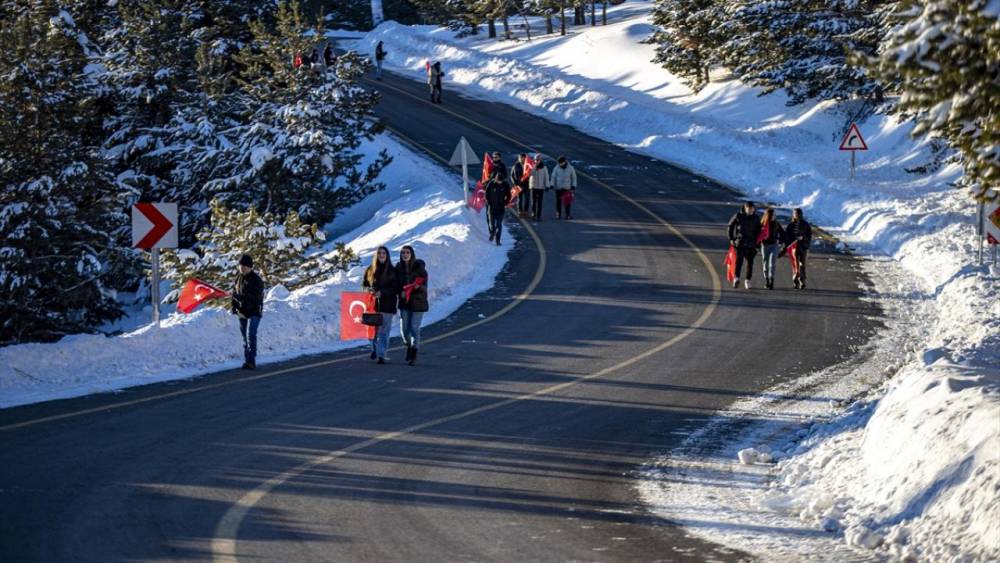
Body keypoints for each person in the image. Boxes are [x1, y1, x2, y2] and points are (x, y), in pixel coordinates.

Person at [362, 246, 401, 364]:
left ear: (387, 255)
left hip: (387, 305)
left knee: (384, 331)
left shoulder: (392, 271)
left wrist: (382, 292)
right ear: (376, 255)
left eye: (384, 253)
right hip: (373, 305)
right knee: (372, 331)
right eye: (379, 253)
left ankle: (381, 354)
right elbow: (364, 284)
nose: (382, 255)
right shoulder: (370, 270)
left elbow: (396, 288)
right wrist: (369, 290)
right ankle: (374, 348)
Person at [396, 245, 428, 366]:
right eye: (403, 253)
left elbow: (425, 288)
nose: (405, 255)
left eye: (407, 252)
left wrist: (418, 287)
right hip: (404, 303)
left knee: (414, 328)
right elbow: (395, 285)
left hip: (417, 303)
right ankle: (408, 345)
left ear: (412, 254)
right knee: (404, 330)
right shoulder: (398, 268)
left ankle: (414, 351)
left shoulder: (420, 269)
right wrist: (401, 291)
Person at [231, 254, 265, 370]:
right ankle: (247, 360)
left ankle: (251, 360)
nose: (242, 268)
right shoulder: (238, 278)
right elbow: (234, 293)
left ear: (250, 267)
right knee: (244, 337)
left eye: (244, 266)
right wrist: (234, 306)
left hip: (254, 311)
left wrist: (241, 298)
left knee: (251, 335)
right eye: (240, 265)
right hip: (242, 312)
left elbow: (255, 297)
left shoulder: (256, 280)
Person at [727, 201, 761, 289]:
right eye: (748, 209)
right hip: (740, 242)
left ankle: (747, 280)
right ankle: (736, 278)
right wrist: (731, 238)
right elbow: (730, 226)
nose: (750, 210)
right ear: (745, 208)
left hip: (751, 244)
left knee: (750, 263)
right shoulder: (738, 216)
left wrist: (758, 244)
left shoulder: (756, 218)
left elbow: (759, 232)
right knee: (739, 261)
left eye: (752, 209)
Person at [783, 207, 813, 289]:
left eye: (797, 214)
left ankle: (802, 281)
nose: (796, 215)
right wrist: (790, 243)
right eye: (795, 214)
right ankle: (795, 280)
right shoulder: (791, 225)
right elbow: (787, 236)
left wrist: (803, 238)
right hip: (793, 247)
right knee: (795, 264)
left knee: (802, 264)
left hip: (803, 247)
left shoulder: (805, 224)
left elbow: (809, 234)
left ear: (801, 214)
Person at [484, 167, 513, 245]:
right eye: (498, 181)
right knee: (491, 223)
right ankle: (492, 233)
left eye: (501, 181)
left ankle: (498, 240)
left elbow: (509, 195)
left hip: (501, 207)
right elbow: (486, 194)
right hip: (492, 207)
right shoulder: (491, 184)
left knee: (499, 224)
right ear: (496, 180)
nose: (500, 183)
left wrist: (506, 203)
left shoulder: (505, 184)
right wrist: (488, 202)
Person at [757, 207, 784, 290]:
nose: (774, 216)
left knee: (772, 264)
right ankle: (767, 280)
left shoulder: (776, 224)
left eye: (774, 215)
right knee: (765, 263)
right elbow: (757, 235)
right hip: (765, 246)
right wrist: (757, 244)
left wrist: (780, 242)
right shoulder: (762, 224)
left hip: (774, 246)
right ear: (768, 216)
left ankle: (771, 280)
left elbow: (783, 233)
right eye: (772, 215)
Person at [528, 153, 550, 222]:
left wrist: (547, 186)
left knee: (539, 202)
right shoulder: (532, 167)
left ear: (540, 160)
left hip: (540, 187)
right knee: (533, 202)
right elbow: (529, 175)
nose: (536, 161)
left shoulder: (544, 168)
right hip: (533, 186)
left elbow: (546, 177)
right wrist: (533, 167)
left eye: (537, 160)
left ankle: (539, 216)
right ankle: (533, 214)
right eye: (535, 160)